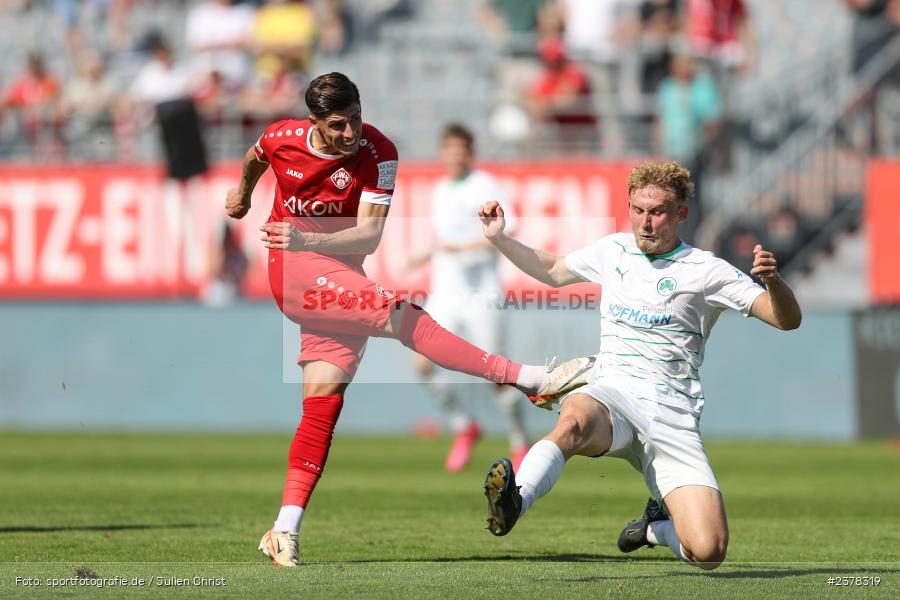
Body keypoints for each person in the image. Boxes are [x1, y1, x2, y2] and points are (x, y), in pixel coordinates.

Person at [224, 72, 594, 567]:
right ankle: (530, 378)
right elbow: (256, 155)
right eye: (338, 125)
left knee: (322, 403)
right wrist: (243, 194)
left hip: (337, 268)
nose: (351, 131)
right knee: (403, 317)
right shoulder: (283, 137)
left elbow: (368, 237)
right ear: (314, 121)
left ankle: (282, 529)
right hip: (291, 270)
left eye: (356, 117)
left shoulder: (380, 153)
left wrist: (308, 239)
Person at [478, 161, 801, 570]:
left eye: (657, 212)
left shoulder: (706, 270)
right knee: (572, 421)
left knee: (709, 551)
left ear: (681, 214)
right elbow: (553, 270)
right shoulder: (613, 250)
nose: (645, 223)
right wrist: (500, 238)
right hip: (611, 395)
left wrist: (773, 281)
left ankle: (654, 529)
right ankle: (515, 502)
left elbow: (786, 320)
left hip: (671, 417)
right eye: (637, 210)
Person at [406, 124, 530, 473]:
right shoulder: (440, 189)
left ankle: (520, 442)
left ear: (470, 152)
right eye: (449, 148)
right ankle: (465, 425)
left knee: (495, 373)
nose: (455, 155)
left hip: (481, 292)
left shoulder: (484, 185)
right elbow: (444, 238)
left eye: (461, 148)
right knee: (421, 362)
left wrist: (463, 246)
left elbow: (511, 228)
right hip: (445, 292)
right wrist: (424, 255)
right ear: (443, 152)